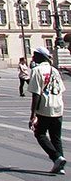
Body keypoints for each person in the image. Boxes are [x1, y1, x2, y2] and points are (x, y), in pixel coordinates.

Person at [28, 46, 66, 174]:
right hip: (58, 106)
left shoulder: (36, 70)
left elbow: (36, 94)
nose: (33, 57)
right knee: (56, 137)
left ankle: (56, 157)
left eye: (34, 55)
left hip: (45, 108)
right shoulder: (54, 70)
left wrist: (33, 115)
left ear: (40, 56)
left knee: (39, 133)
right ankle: (59, 166)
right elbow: (61, 89)